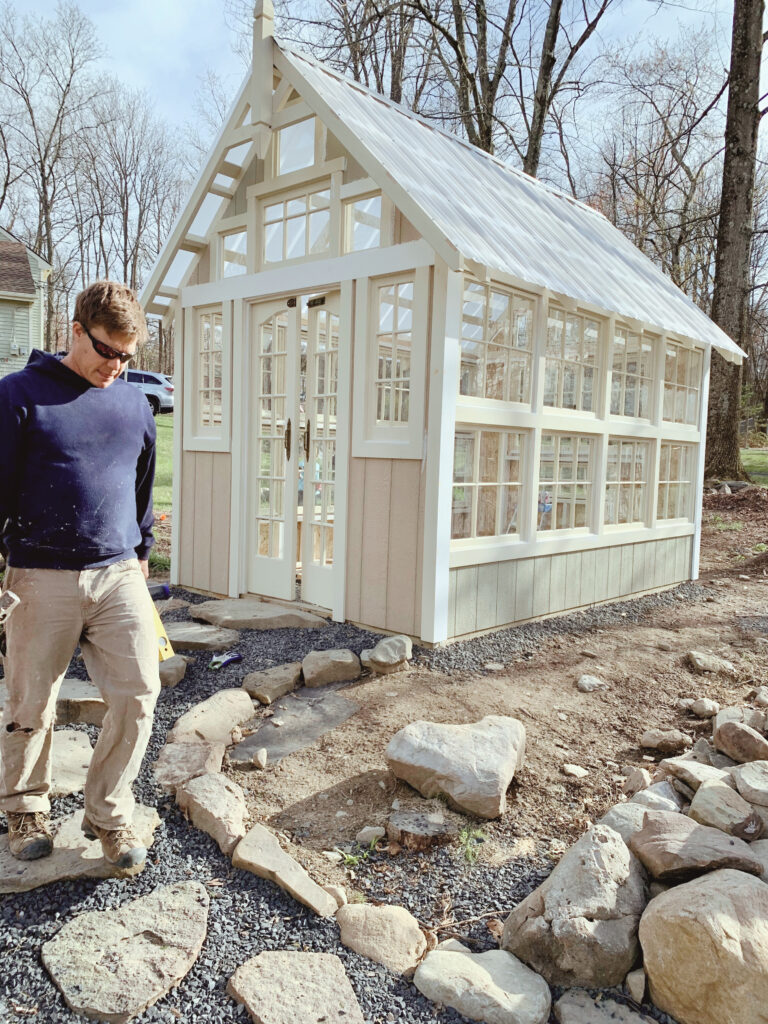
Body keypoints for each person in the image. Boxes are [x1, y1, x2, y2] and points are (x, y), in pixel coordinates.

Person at [0, 281, 161, 870]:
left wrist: (142, 555)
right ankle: (24, 808)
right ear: (74, 330)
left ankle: (109, 814)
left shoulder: (134, 405)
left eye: (126, 356)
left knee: (140, 693)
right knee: (31, 700)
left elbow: (141, 492)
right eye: (105, 351)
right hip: (40, 575)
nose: (115, 366)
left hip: (118, 574)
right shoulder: (19, 396)